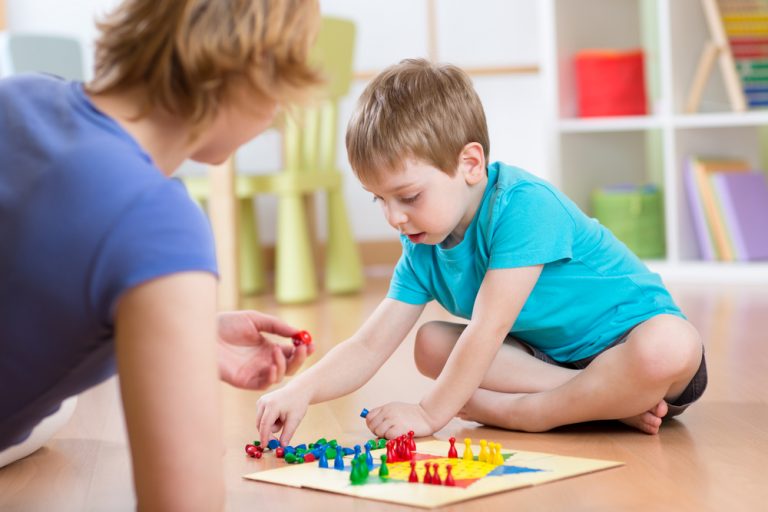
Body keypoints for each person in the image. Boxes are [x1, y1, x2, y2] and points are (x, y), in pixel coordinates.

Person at [255, 58, 708, 446]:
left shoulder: (523, 206)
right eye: (380, 200)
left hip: (635, 348)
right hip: (552, 364)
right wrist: (302, 389)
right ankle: (604, 402)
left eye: (408, 197)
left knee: (670, 344)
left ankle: (532, 414)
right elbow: (369, 344)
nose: (393, 218)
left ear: (470, 164)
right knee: (431, 344)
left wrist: (431, 414)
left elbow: (487, 330)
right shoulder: (422, 245)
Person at [0, 0, 322, 509]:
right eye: (282, 82)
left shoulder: (21, 92)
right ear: (247, 71)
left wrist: (177, 329)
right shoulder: (159, 221)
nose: (278, 110)